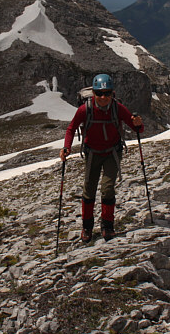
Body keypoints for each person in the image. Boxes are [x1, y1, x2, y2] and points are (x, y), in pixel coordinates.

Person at [60, 74, 144, 242]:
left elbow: (138, 129)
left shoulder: (118, 108)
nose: (103, 97)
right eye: (99, 93)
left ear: (112, 93)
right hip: (92, 154)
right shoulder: (85, 109)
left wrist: (138, 123)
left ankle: (107, 226)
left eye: (107, 93)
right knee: (89, 189)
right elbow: (71, 128)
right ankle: (87, 227)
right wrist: (66, 147)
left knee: (107, 188)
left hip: (112, 153)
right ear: (93, 94)